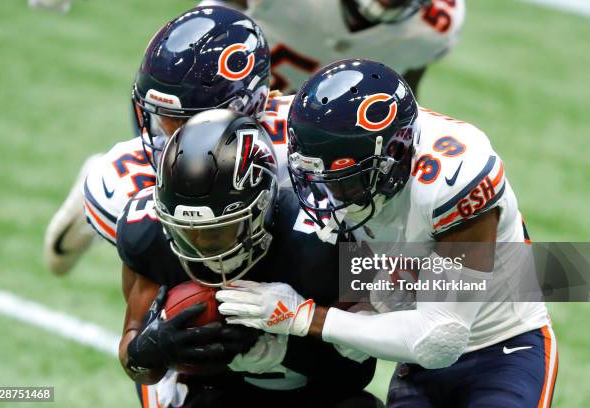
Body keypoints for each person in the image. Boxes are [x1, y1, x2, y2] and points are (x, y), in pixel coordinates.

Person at [216, 59, 558, 407]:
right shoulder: (311, 133)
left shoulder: (454, 178)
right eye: (316, 177)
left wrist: (303, 317)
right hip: (415, 357)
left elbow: (440, 336)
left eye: (346, 179)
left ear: (395, 156)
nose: (329, 195)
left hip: (502, 346)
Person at [117, 109, 381, 407]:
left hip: (319, 396)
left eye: (218, 231)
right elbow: (135, 364)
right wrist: (149, 349)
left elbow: (356, 371)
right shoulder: (148, 234)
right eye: (185, 233)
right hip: (213, 393)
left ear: (264, 204)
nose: (202, 247)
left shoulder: (323, 238)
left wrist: (288, 343)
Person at [44, 5, 277, 275]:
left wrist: (307, 316)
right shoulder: (129, 183)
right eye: (163, 116)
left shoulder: (301, 155)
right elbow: (143, 311)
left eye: (185, 120)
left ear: (246, 105)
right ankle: (85, 220)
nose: (170, 134)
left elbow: (340, 273)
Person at [199, 0, 465, 94]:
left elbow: (401, 91)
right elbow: (209, 20)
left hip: (302, 135)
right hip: (219, 89)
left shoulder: (432, 27)